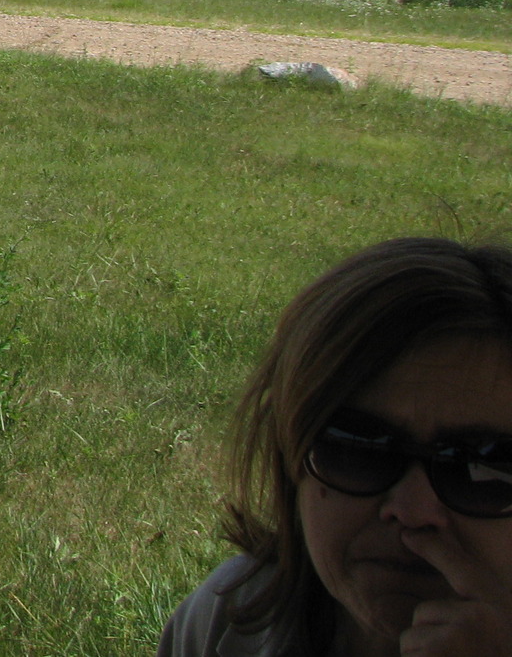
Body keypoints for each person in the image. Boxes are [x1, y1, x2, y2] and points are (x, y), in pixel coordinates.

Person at [160, 237, 512, 655]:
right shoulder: (228, 622)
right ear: (292, 454)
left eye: (479, 466)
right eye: (358, 449)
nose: (413, 510)